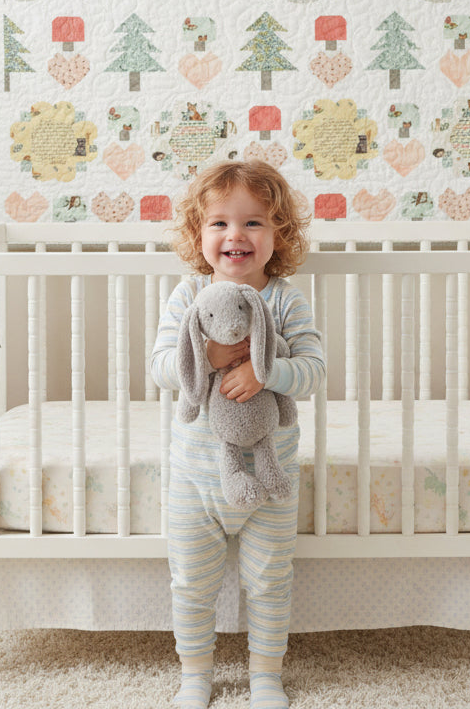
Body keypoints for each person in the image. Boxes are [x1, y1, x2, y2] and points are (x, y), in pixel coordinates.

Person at [151, 160, 325, 709]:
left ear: (279, 235)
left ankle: (266, 676)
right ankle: (195, 675)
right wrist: (206, 356)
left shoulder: (286, 300)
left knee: (270, 581)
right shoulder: (188, 297)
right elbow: (160, 366)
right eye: (220, 223)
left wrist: (265, 371)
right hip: (197, 476)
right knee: (191, 582)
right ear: (198, 234)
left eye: (254, 222)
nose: (236, 235)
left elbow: (314, 371)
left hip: (270, 477)